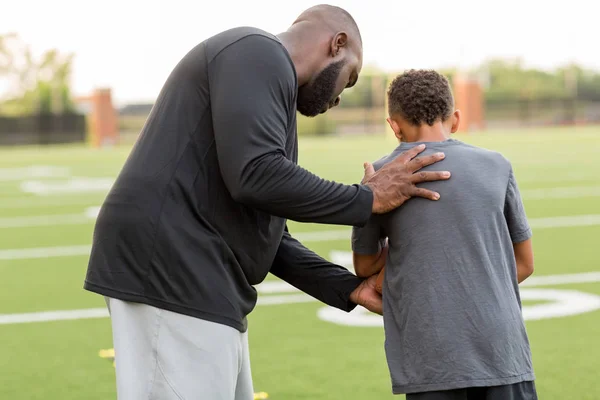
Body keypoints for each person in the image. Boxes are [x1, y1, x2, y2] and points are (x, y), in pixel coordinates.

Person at [84, 6, 451, 400]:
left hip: (198, 276)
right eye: (350, 76)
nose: (341, 97)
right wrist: (368, 199)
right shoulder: (257, 51)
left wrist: (348, 288)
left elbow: (269, 232)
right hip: (171, 270)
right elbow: (256, 176)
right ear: (337, 43)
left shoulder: (267, 81)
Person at [352, 69, 537, 400]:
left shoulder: (379, 176)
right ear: (455, 119)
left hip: (432, 357)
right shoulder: (497, 165)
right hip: (502, 350)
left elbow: (365, 268)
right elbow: (523, 264)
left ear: (393, 125)